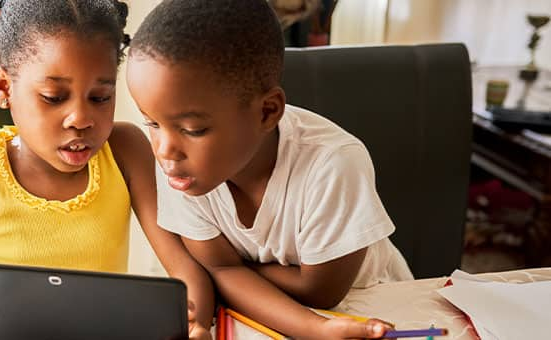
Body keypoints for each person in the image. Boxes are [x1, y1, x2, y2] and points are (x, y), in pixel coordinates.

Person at [0, 1, 210, 339]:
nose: (81, 119)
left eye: (100, 97)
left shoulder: (125, 151)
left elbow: (182, 269)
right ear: (4, 88)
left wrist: (197, 323)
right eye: (54, 97)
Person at [126, 0, 414, 338]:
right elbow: (221, 267)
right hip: (278, 317)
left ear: (267, 111)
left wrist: (234, 272)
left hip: (371, 311)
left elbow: (319, 291)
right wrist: (225, 275)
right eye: (152, 123)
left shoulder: (333, 163)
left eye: (193, 130)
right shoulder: (183, 168)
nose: (164, 150)